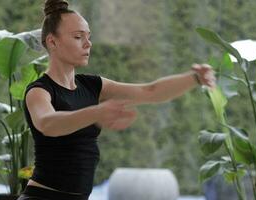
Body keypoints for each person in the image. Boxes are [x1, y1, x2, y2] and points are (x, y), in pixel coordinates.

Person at [18, 0, 216, 199]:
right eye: (78, 37)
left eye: (89, 37)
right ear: (52, 42)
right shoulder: (39, 91)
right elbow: (48, 124)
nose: (88, 44)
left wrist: (194, 78)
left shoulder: (92, 85)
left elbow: (150, 91)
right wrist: (96, 112)